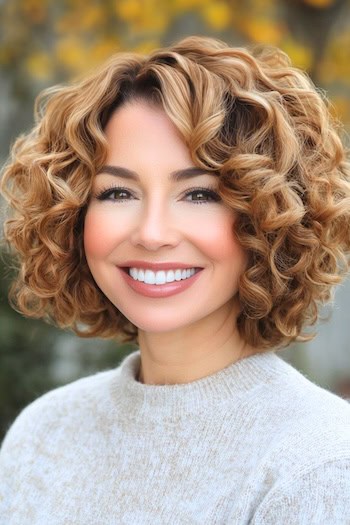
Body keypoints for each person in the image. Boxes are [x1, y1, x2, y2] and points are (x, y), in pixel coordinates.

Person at [0, 34, 350, 524]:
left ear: (269, 216)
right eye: (118, 193)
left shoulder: (319, 467)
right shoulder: (43, 435)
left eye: (200, 195)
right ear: (74, 215)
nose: (152, 233)